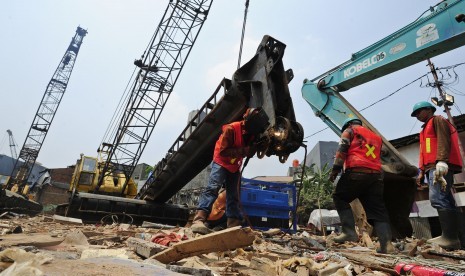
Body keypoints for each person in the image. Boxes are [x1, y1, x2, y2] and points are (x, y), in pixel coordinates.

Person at [191, 107, 269, 234]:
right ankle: (198, 220)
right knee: (213, 188)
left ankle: (233, 226)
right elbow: (223, 151)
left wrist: (258, 146)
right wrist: (245, 151)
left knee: (233, 195)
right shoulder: (231, 129)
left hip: (234, 165)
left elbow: (251, 148)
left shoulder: (253, 133)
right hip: (221, 161)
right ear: (248, 122)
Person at [329, 118, 393, 253]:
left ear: (348, 124)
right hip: (375, 176)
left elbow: (342, 150)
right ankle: (387, 245)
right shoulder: (376, 137)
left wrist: (335, 170)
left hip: (356, 172)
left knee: (339, 197)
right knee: (378, 211)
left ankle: (349, 232)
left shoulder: (349, 131)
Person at [411, 101, 463, 250]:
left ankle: (450, 237)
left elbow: (443, 140)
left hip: (439, 166)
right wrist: (421, 173)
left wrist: (442, 161)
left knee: (438, 199)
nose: (417, 116)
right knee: (445, 199)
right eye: (415, 115)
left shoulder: (438, 120)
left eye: (419, 112)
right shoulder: (425, 129)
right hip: (431, 167)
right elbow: (425, 152)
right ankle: (455, 237)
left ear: (429, 109)